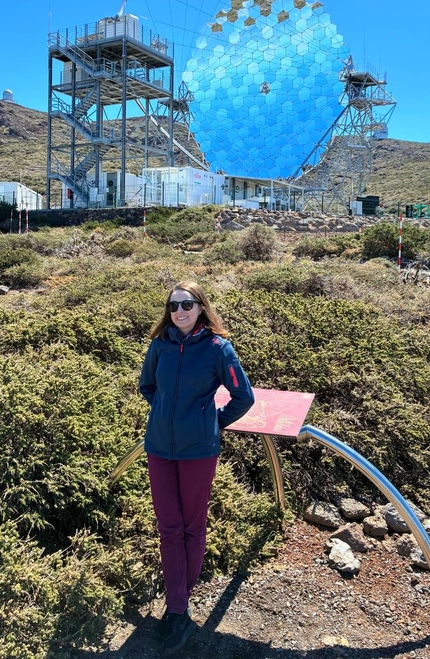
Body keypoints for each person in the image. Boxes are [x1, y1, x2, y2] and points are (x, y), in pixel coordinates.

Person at [139, 280, 254, 655]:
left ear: (201, 307)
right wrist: (167, 415)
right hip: (159, 448)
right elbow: (147, 387)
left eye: (186, 304)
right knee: (168, 527)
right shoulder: (160, 344)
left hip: (198, 452)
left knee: (191, 526)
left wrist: (209, 422)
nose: (179, 311)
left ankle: (178, 607)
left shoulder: (218, 348)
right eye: (173, 305)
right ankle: (178, 608)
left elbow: (244, 397)